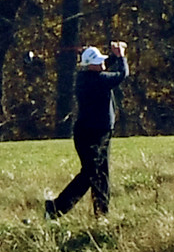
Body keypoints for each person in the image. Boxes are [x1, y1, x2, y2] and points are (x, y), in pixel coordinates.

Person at [46, 41, 129, 219]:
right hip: (91, 135)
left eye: (101, 61)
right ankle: (55, 208)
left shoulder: (86, 76)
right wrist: (121, 56)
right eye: (97, 62)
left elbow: (105, 64)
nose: (101, 64)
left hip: (99, 132)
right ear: (89, 65)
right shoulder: (98, 80)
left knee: (101, 174)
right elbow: (122, 74)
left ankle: (101, 214)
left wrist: (114, 54)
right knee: (90, 174)